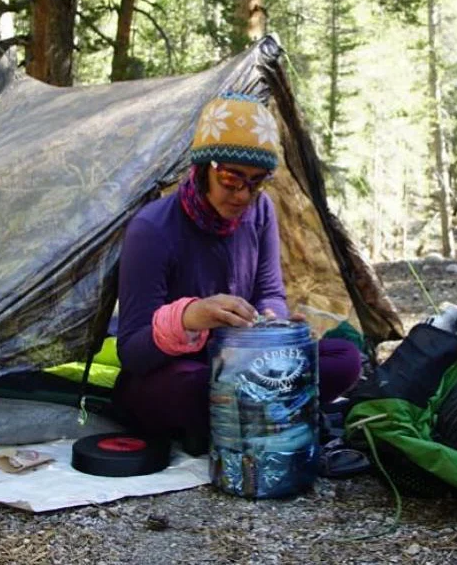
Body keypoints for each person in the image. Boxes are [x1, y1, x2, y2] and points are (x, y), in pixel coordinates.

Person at [112, 92, 363, 456]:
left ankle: (227, 420)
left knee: (345, 358)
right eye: (232, 179)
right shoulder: (152, 230)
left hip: (244, 362)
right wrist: (187, 318)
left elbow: (269, 291)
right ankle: (269, 413)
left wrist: (273, 325)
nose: (244, 195)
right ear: (202, 169)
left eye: (257, 181)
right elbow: (132, 352)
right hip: (180, 370)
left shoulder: (260, 212)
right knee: (189, 386)